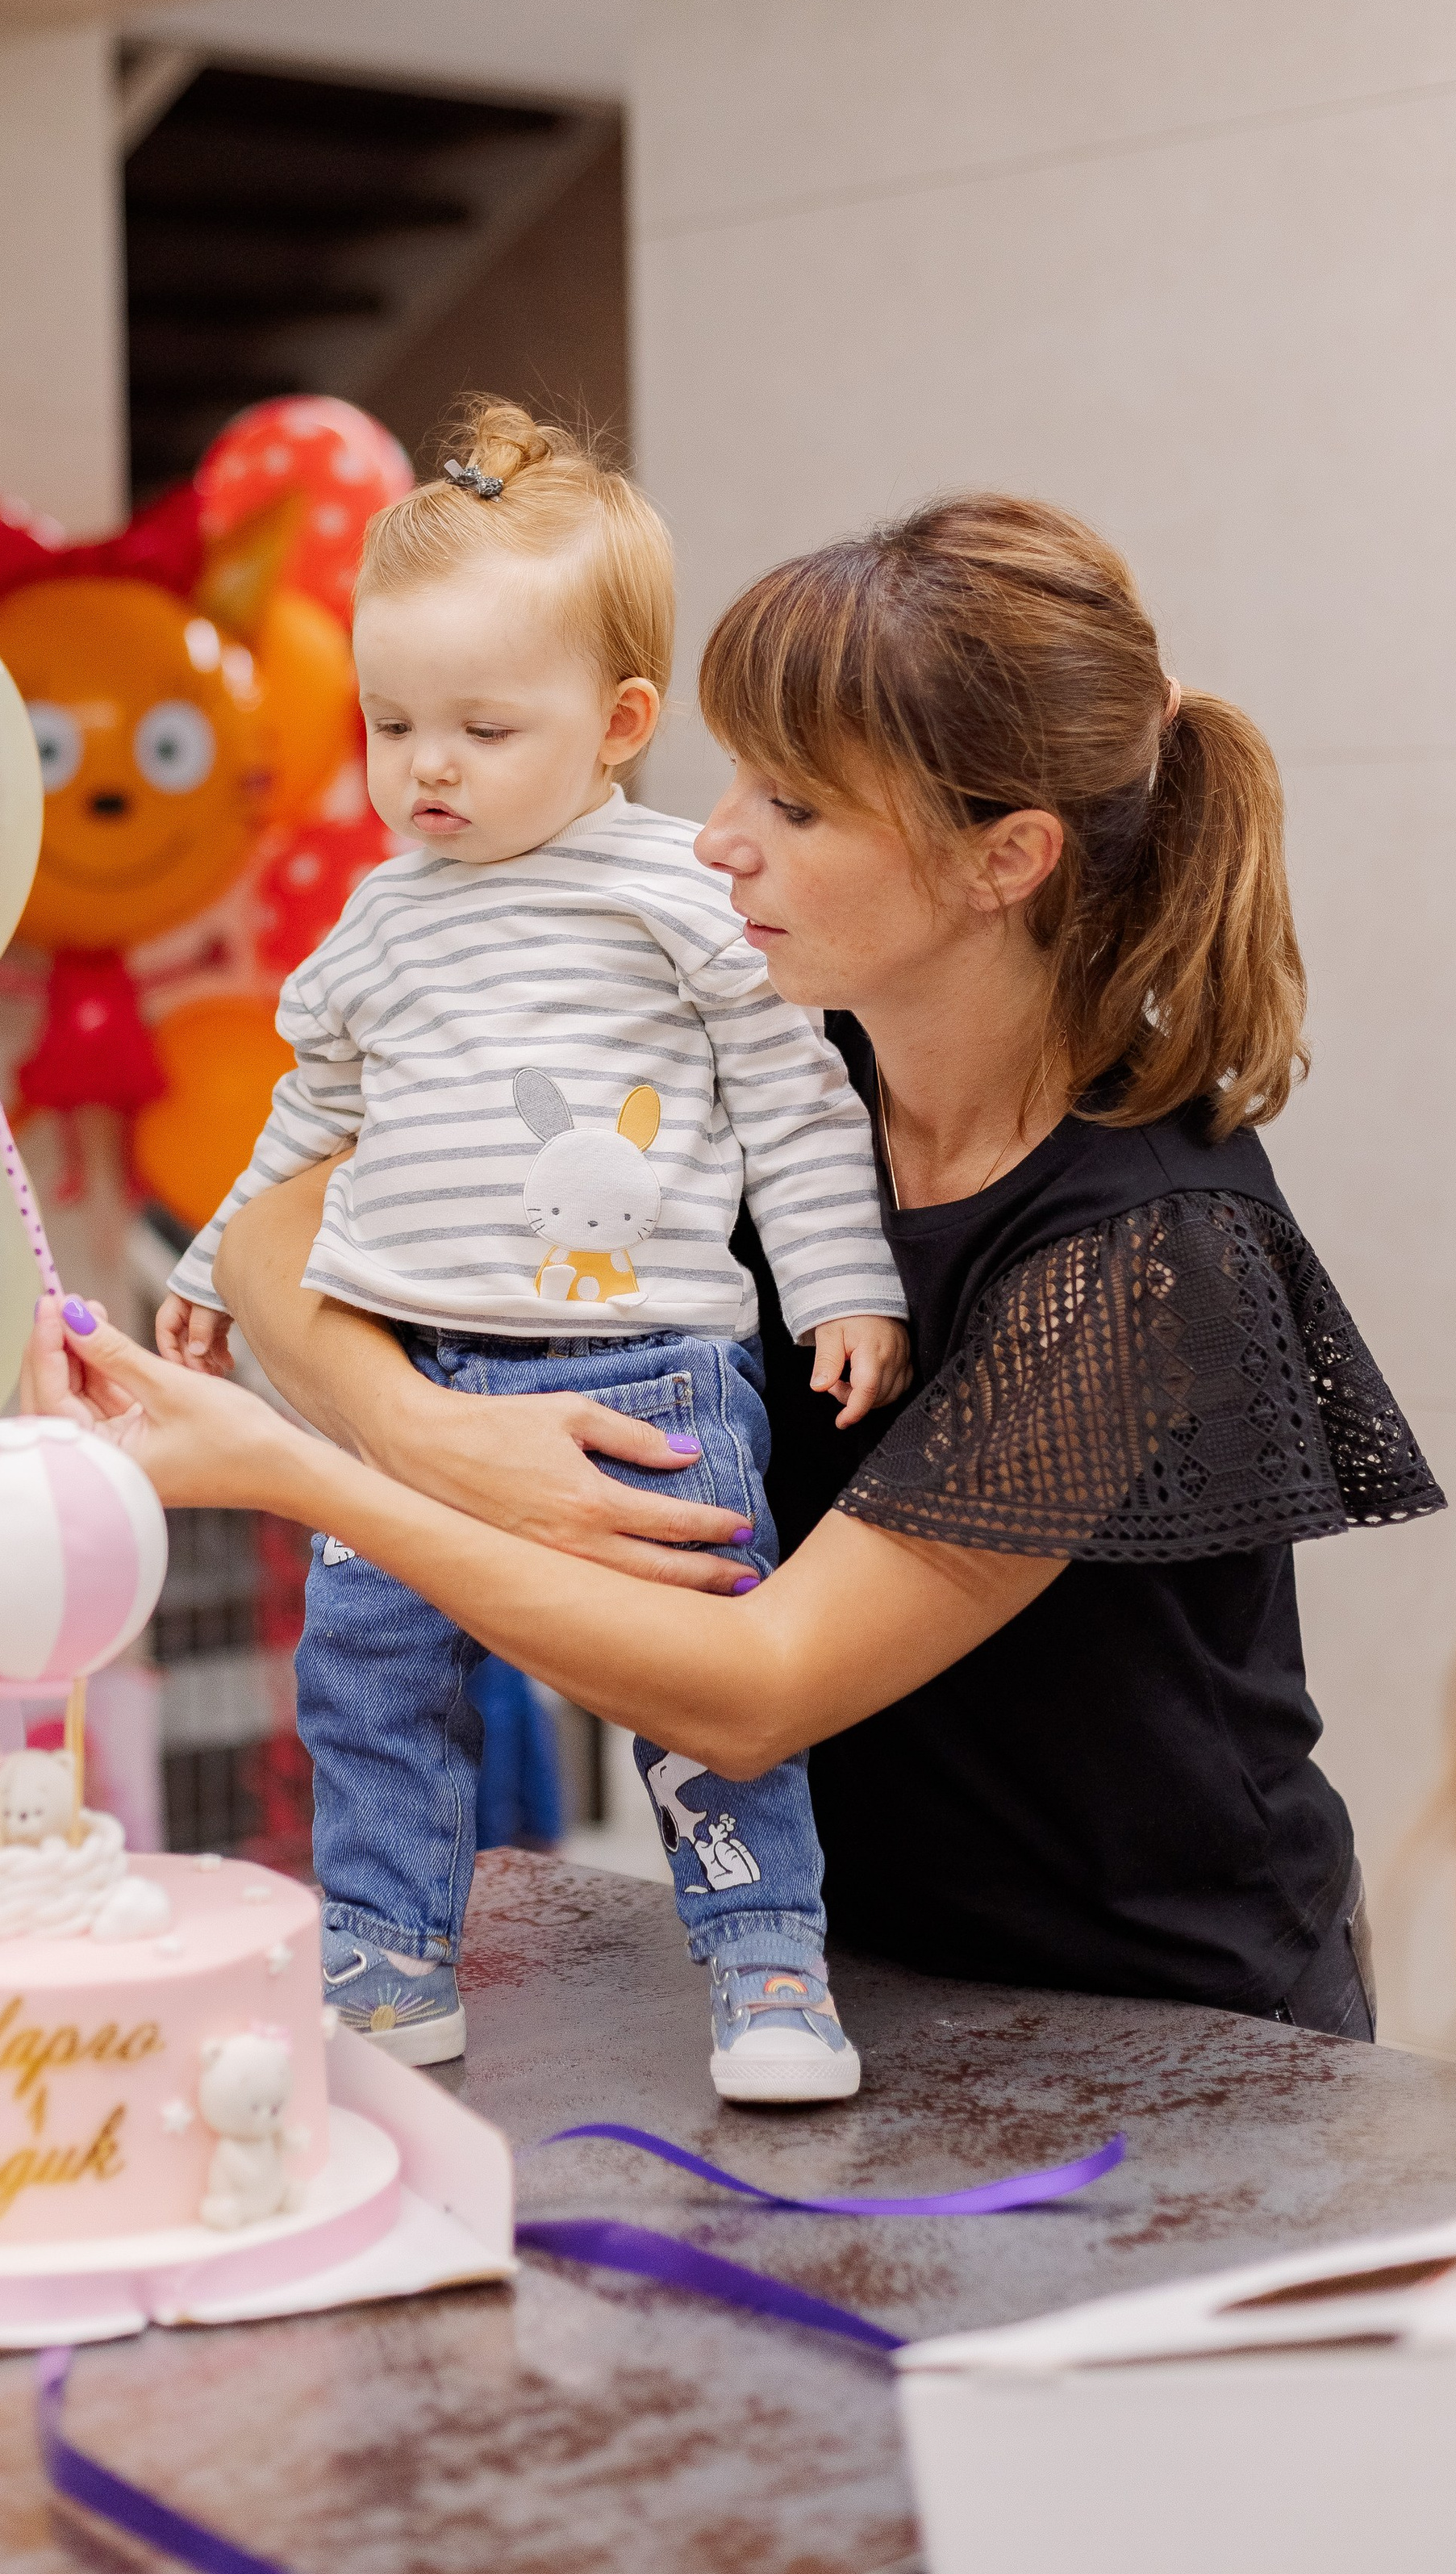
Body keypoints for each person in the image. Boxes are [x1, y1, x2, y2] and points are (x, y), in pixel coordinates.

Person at [28, 493, 1444, 2046]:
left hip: (1175, 2037)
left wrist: (302, 1477)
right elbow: (298, 1217)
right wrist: (437, 1438)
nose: (718, 839)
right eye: (734, 778)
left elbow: (757, 1686)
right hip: (861, 1980)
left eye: (799, 806)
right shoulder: (778, 1081)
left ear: (1007, 859)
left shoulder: (1144, 1246)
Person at [153, 403, 908, 2100]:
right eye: (392, 721)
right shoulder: (373, 921)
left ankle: (767, 1968)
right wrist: (212, 1265)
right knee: (367, 1683)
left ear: (618, 724)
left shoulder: (678, 892)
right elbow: (302, 1129)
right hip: (412, 1366)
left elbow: (792, 1104)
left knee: (694, 1692)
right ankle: (384, 1963)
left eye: (485, 728)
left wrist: (845, 1282)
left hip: (646, 1367)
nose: (427, 766)